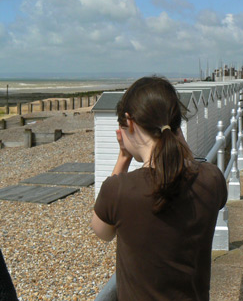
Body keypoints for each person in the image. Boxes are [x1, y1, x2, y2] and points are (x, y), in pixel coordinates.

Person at [91, 76, 228, 300]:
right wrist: (177, 141)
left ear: (130, 122)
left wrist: (123, 158)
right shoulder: (212, 179)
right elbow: (188, 169)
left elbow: (102, 231)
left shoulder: (119, 190)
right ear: (175, 126)